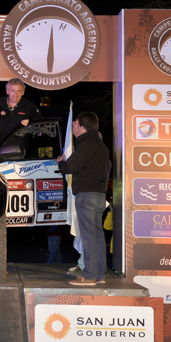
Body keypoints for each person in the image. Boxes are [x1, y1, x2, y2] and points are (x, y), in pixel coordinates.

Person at [57, 112, 111, 286]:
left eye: (75, 122)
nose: (73, 124)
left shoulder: (86, 144)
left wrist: (61, 162)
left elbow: (71, 167)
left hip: (86, 196)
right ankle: (100, 274)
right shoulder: (102, 146)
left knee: (88, 237)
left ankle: (88, 276)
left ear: (82, 126)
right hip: (99, 196)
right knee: (97, 236)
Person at [0, 78, 42, 149]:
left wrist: (30, 124)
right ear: (7, 91)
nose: (15, 94)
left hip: (18, 149)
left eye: (19, 91)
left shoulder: (29, 106)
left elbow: (40, 126)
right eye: (12, 90)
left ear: (23, 92)